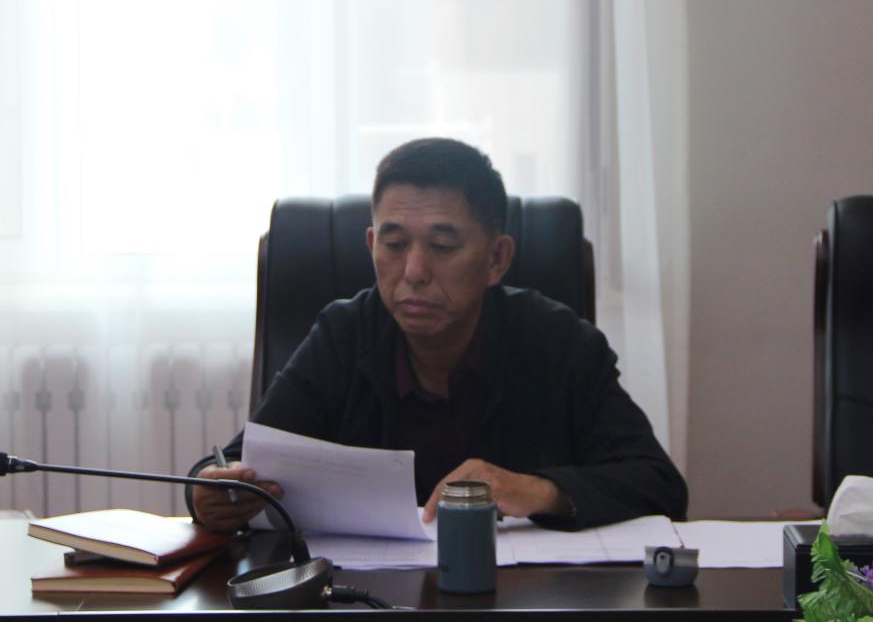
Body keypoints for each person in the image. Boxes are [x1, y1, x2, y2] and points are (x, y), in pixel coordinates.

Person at [187, 137, 687, 533]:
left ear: (497, 259)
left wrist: (536, 491)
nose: (414, 271)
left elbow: (660, 484)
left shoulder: (559, 342)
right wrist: (208, 494)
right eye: (394, 244)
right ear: (371, 244)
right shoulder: (343, 335)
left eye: (443, 247)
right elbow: (236, 465)